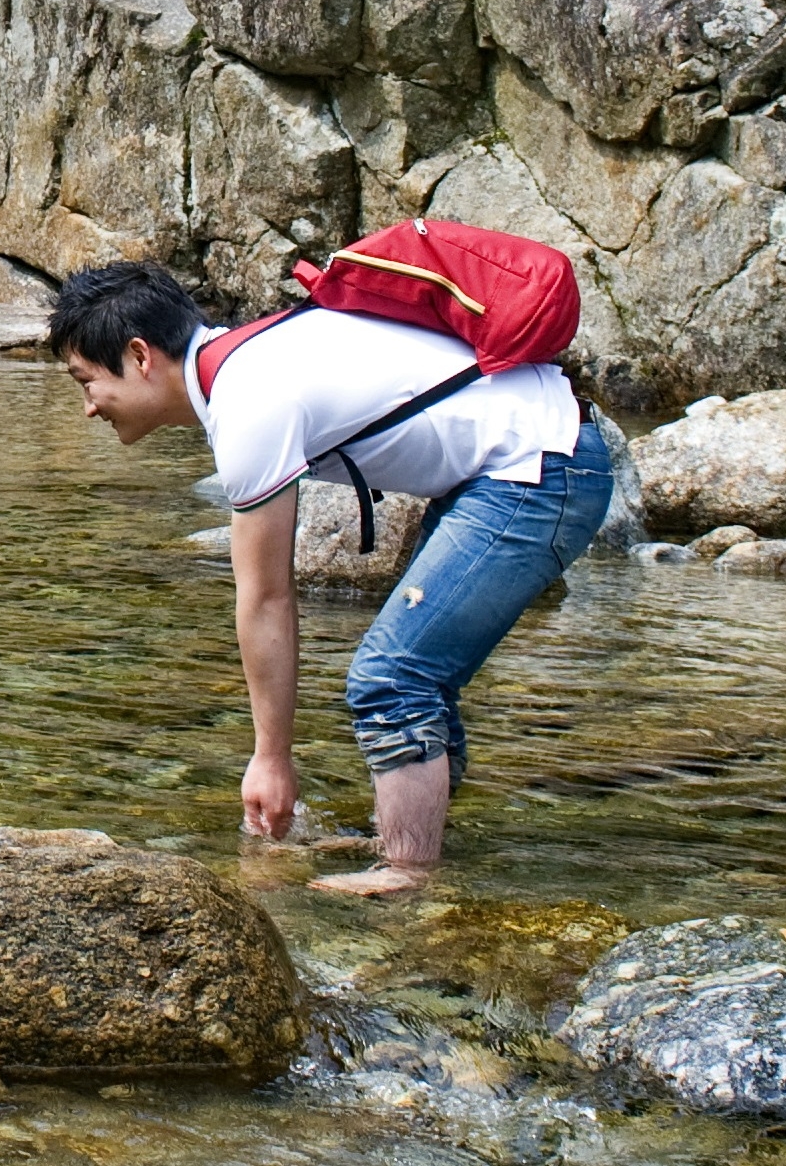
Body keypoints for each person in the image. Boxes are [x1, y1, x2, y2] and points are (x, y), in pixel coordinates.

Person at [50, 258, 612, 895]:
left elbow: (266, 598)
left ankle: (410, 874)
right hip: (534, 458)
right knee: (419, 673)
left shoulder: (248, 401)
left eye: (87, 381)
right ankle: (409, 842)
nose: (88, 407)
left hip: (541, 472)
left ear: (140, 355)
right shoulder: (253, 357)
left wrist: (270, 760)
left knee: (393, 677)